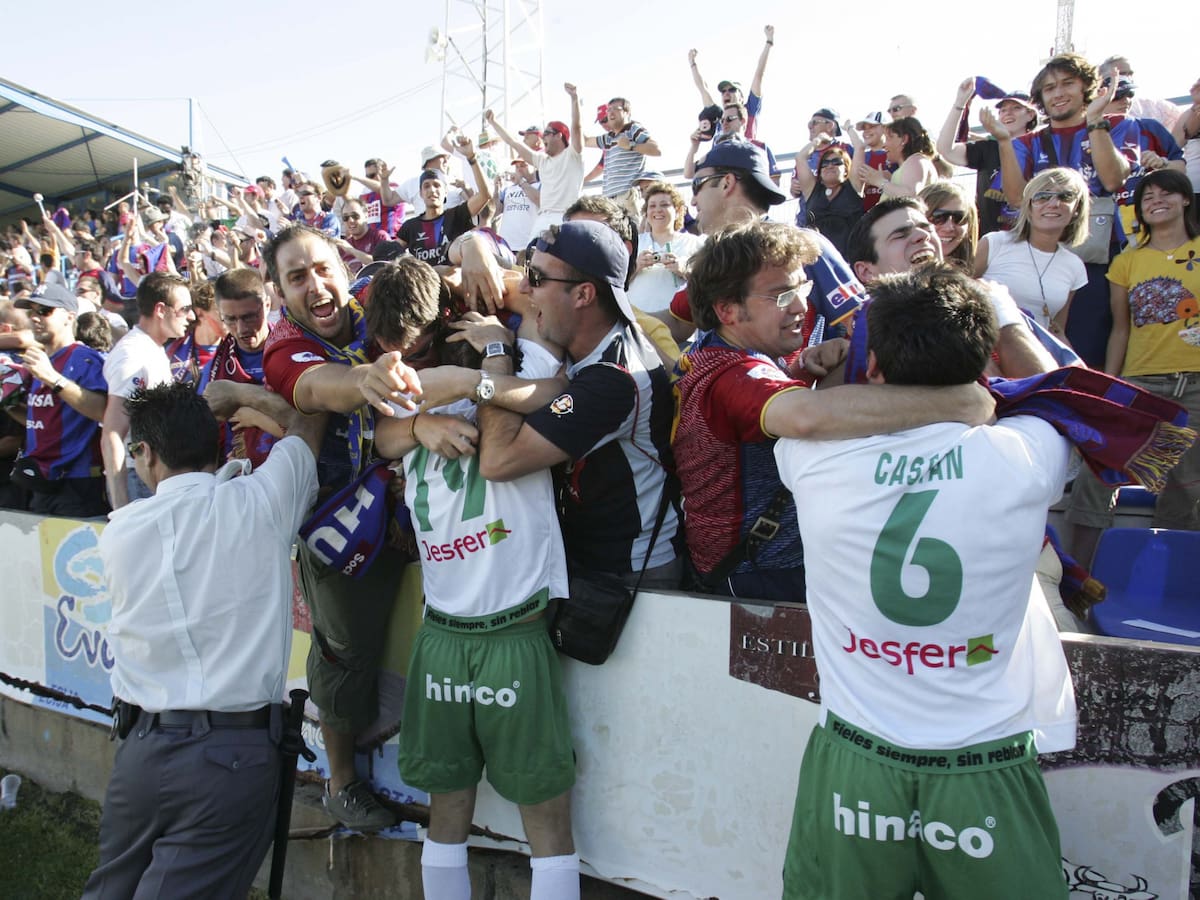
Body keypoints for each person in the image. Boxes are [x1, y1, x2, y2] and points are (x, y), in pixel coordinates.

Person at [775, 265, 1074, 899]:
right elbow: (1058, 390)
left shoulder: (811, 458)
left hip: (857, 759)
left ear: (873, 364)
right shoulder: (1031, 453)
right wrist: (1008, 318)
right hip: (984, 765)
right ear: (985, 357)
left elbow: (810, 414)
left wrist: (832, 368)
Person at [370, 260, 581, 900]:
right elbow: (382, 435)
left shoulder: (533, 369)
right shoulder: (413, 393)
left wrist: (493, 359)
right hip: (442, 631)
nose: (405, 362)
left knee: (544, 816)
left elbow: (571, 400)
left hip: (514, 628)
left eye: (414, 345)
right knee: (448, 811)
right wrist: (418, 423)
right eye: (393, 351)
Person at [80, 380, 325, 899]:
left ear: (144, 454)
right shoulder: (260, 501)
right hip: (229, 755)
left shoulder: (120, 532)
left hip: (143, 750)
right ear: (217, 443)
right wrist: (249, 397)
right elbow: (308, 422)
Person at [674, 222, 995, 603]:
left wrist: (798, 370)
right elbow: (806, 416)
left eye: (802, 288)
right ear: (727, 310)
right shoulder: (730, 374)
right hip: (759, 578)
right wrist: (957, 403)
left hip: (755, 567)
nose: (800, 306)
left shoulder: (718, 354)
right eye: (781, 296)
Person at [262, 224, 423, 831]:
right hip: (341, 528)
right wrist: (363, 380)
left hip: (420, 515)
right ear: (281, 293)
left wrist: (476, 248)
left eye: (322, 268)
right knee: (346, 651)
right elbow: (313, 387)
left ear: (344, 266)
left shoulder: (376, 302)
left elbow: (445, 269)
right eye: (297, 277)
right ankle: (343, 783)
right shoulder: (284, 344)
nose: (315, 285)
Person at [416, 220, 681, 588]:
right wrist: (473, 241)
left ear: (583, 295)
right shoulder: (591, 328)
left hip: (629, 573)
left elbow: (498, 459)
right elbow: (463, 277)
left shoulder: (615, 379)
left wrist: (491, 360)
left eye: (536, 279)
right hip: (589, 553)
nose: (524, 287)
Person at [1066, 168, 1200, 562]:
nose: (1156, 201)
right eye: (1147, 196)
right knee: (1098, 474)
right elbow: (1120, 329)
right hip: (1140, 381)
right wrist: (1111, 382)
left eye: (1166, 193)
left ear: (1186, 199)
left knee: (1186, 488)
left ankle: (1174, 581)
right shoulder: (1127, 261)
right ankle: (1076, 577)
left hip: (1195, 384)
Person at [986, 52, 1135, 367]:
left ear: (1086, 89)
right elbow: (1016, 198)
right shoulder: (1027, 141)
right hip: (1039, 255)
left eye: (1068, 83)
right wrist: (1002, 142)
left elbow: (1112, 178)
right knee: (1037, 344)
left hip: (1096, 256)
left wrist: (1095, 120)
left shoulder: (1116, 124)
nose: (1058, 93)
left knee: (1089, 343)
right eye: (1050, 88)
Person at [11, 283, 108, 517]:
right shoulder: (41, 360)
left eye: (44, 311)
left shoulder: (84, 358)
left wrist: (53, 378)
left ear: (69, 317)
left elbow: (103, 411)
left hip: (78, 483)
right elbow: (44, 419)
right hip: (42, 481)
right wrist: (8, 404)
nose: (35, 318)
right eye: (31, 311)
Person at [100, 272, 194, 509]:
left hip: (156, 478)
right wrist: (121, 507)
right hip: (141, 482)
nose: (191, 316)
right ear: (161, 310)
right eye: (184, 309)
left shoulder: (151, 347)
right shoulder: (132, 355)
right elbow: (112, 433)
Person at [974, 168, 1089, 337]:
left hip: (1033, 356)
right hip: (985, 351)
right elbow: (958, 297)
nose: (1053, 203)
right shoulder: (995, 243)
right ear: (1028, 207)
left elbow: (1056, 330)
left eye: (1065, 196)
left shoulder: (1075, 266)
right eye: (1042, 197)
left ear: (1077, 208)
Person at [937, 81, 1039, 235]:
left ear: (1031, 114)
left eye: (1016, 108)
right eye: (1002, 110)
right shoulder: (989, 148)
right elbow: (946, 149)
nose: (1007, 114)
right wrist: (960, 103)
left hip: (1032, 237)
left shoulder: (1041, 147)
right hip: (991, 239)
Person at [199, 268, 277, 467]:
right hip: (238, 477)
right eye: (231, 320)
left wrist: (255, 416)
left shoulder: (293, 350)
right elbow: (205, 436)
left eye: (249, 317)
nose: (241, 329)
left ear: (267, 305)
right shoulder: (214, 370)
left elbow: (307, 420)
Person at [486, 84, 585, 234]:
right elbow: (514, 142)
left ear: (559, 135)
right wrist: (494, 122)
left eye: (547, 133)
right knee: (531, 257)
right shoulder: (542, 160)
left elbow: (577, 127)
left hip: (566, 217)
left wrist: (574, 99)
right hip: (543, 218)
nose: (543, 136)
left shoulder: (573, 154)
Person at [397, 140, 492, 266]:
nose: (432, 190)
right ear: (420, 193)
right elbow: (391, 253)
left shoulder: (456, 216)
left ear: (446, 192)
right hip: (424, 284)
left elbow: (485, 195)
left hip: (454, 282)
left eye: (437, 185)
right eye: (426, 186)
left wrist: (472, 158)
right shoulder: (409, 227)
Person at [687, 26, 775, 140]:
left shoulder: (750, 109)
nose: (726, 93)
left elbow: (758, 75)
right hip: (721, 156)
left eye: (732, 90)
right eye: (723, 91)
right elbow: (703, 89)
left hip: (744, 155)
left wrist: (769, 42)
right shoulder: (719, 115)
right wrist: (692, 63)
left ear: (741, 98)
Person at [627, 182, 702, 314]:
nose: (657, 210)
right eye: (652, 206)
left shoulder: (694, 243)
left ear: (678, 210)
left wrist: (684, 270)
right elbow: (617, 283)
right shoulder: (633, 243)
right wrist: (637, 266)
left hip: (680, 325)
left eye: (664, 205)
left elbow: (708, 283)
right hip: (638, 324)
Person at [585, 97, 660, 224]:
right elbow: (585, 141)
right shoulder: (609, 138)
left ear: (627, 113)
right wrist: (574, 103)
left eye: (616, 109)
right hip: (609, 200)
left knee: (633, 237)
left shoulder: (633, 129)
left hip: (626, 196)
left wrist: (631, 146)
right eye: (608, 110)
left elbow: (656, 150)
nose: (610, 113)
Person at [792, 145, 863, 259]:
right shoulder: (812, 190)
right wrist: (818, 140)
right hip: (818, 257)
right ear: (820, 172)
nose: (830, 166)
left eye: (836, 162)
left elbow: (860, 147)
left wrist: (849, 127)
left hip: (850, 256)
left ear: (846, 169)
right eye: (825, 163)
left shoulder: (853, 187)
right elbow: (800, 157)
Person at [859, 117, 943, 199]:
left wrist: (879, 181)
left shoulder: (916, 160)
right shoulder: (913, 162)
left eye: (888, 138)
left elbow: (911, 196)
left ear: (904, 139)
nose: (884, 145)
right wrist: (890, 179)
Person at [919, 181, 979, 269]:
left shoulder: (983, 274)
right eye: (938, 217)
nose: (949, 228)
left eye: (959, 218)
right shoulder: (897, 275)